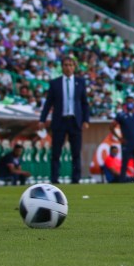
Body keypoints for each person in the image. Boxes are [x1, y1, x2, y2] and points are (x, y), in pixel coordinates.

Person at [38, 56, 91, 184]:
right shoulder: (55, 83)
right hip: (60, 121)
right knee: (56, 152)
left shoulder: (80, 82)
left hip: (75, 121)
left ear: (74, 67)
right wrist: (42, 119)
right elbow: (48, 103)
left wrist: (86, 120)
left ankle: (76, 179)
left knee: (76, 152)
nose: (68, 67)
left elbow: (84, 103)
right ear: (62, 67)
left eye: (71, 65)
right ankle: (54, 179)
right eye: (66, 65)